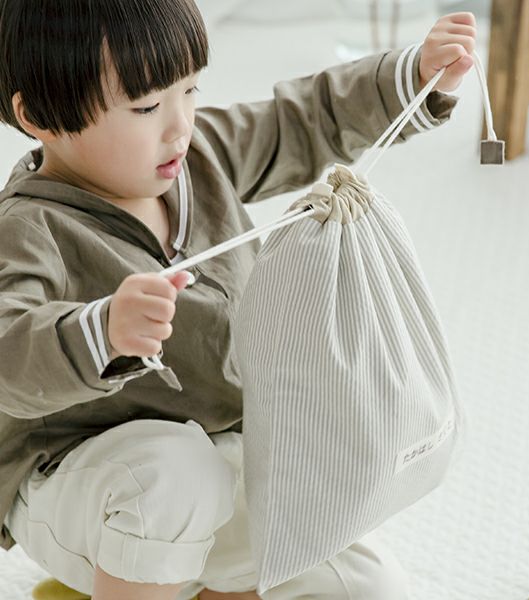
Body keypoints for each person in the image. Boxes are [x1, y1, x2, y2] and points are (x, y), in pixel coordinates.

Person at [0, 1, 476, 599]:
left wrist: (414, 76)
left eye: (189, 91)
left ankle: (189, 587)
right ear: (39, 115)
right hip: (79, 484)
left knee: (369, 586)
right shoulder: (28, 228)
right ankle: (123, 578)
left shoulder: (199, 156)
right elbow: (9, 356)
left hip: (221, 456)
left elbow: (303, 121)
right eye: (145, 107)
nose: (179, 126)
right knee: (177, 475)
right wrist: (102, 330)